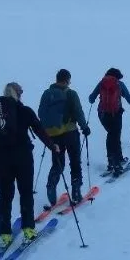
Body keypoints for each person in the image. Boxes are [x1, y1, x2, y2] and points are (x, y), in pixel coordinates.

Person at [0, 82, 60, 247]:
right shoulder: (25, 111)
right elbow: (39, 130)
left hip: (0, 159)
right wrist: (53, 146)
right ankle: (28, 230)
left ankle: (4, 234)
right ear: (18, 94)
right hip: (22, 158)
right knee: (25, 193)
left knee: (5, 195)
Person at [38, 68, 91, 207]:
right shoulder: (71, 93)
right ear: (67, 80)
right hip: (70, 132)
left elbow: (40, 113)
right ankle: (76, 191)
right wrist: (84, 127)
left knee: (57, 163)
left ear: (56, 79)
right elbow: (78, 112)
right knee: (75, 161)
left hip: (53, 134)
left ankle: (51, 184)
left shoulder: (46, 94)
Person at [88, 67, 130, 176]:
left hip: (102, 114)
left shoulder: (102, 83)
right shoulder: (119, 84)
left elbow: (91, 98)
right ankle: (117, 165)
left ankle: (112, 161)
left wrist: (93, 98)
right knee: (115, 137)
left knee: (111, 135)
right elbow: (129, 97)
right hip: (115, 115)